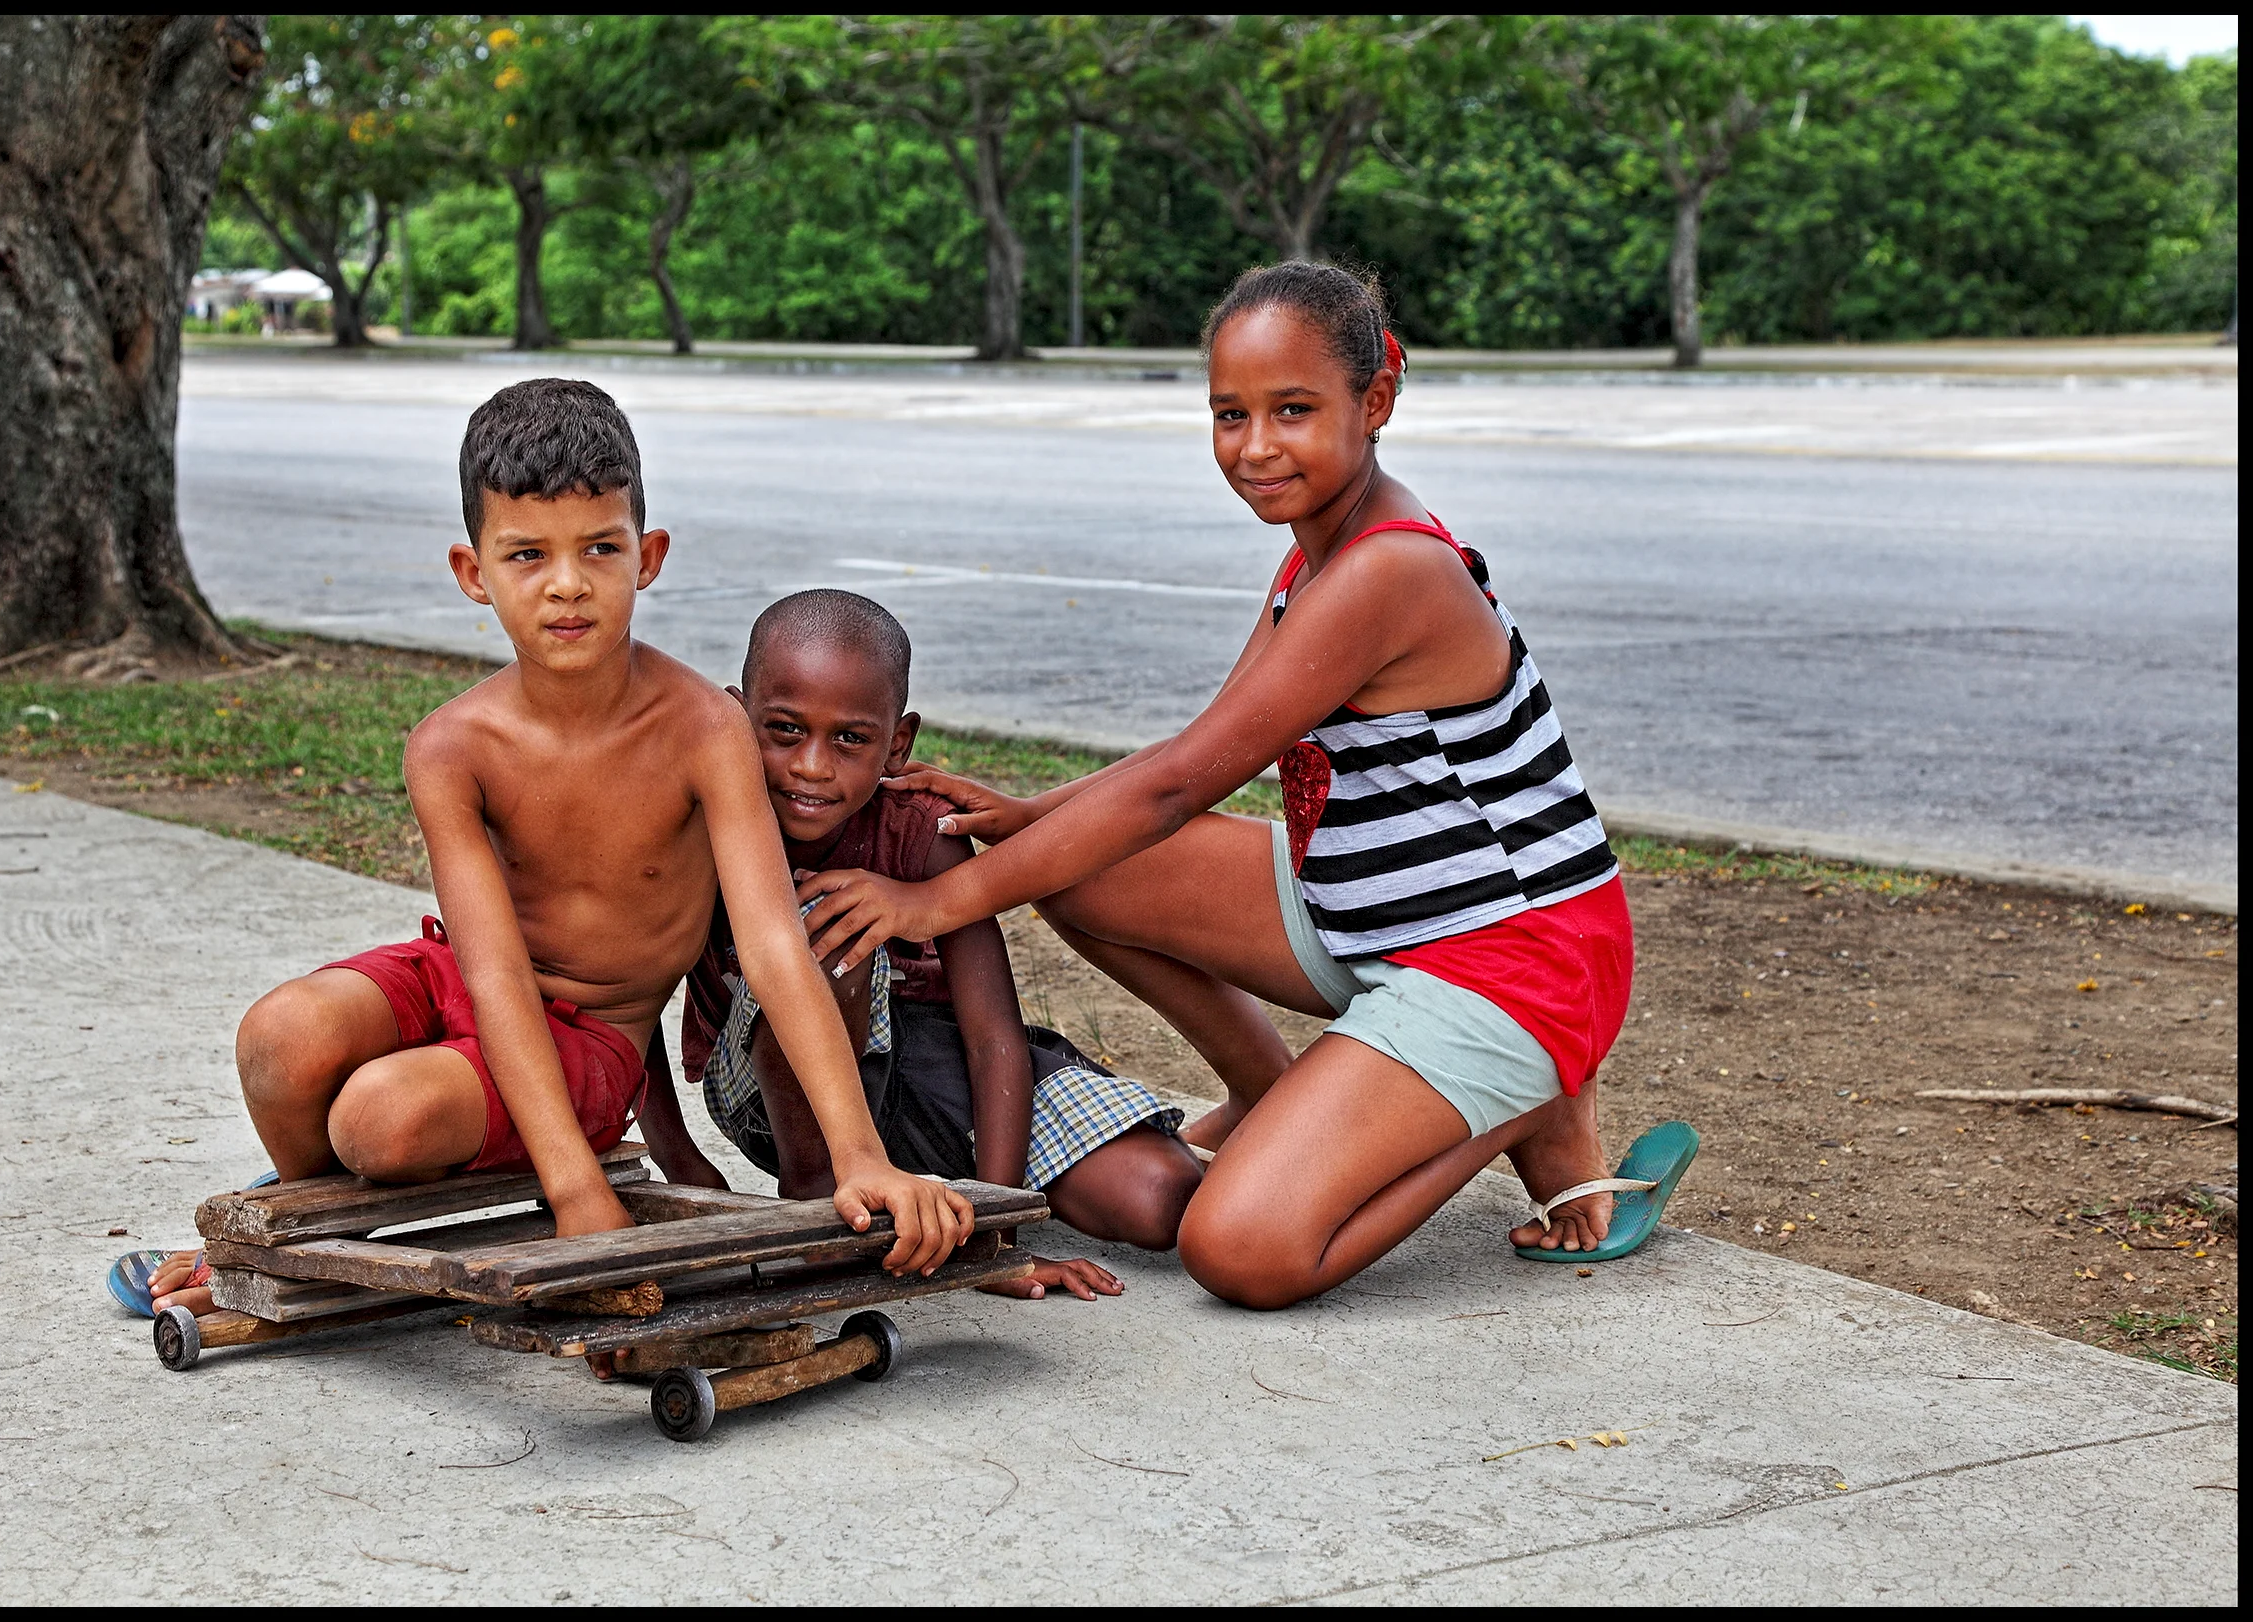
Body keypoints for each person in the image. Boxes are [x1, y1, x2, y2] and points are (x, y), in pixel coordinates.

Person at [794, 263, 1689, 1310]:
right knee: (1082, 868)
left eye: (1292, 411)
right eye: (1231, 414)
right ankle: (1272, 1092)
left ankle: (1525, 1100)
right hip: (1376, 916)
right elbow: (1203, 746)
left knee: (1243, 1249)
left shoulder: (1385, 572)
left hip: (1518, 959)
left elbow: (1179, 785)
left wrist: (933, 899)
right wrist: (1031, 816)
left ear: (1376, 403)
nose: (1255, 446)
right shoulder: (1319, 552)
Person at [116, 378, 970, 1321]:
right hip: (466, 979)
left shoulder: (702, 730)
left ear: (645, 557)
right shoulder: (453, 745)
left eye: (598, 549)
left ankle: (337, 1201)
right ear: (473, 571)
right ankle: (297, 1226)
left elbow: (775, 947)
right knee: (279, 1037)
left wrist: (860, 1156)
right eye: (527, 555)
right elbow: (485, 972)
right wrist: (576, 1202)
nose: (567, 585)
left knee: (380, 1118)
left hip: (590, 1035)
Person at [645, 590, 1204, 1303]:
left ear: (897, 744)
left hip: (940, 1088)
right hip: (772, 1092)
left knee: (1159, 1199)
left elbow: (993, 1039)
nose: (812, 766)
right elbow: (626, 1005)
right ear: (734, 716)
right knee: (825, 929)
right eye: (783, 730)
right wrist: (683, 1165)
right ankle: (817, 1199)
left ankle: (937, 1201)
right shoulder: (695, 829)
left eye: (850, 739)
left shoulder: (921, 832)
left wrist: (995, 1235)